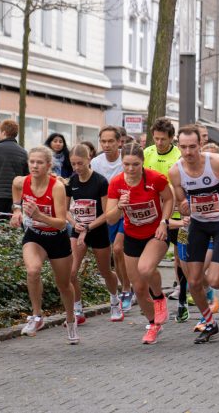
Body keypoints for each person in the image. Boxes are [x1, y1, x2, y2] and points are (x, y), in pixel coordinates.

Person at [168, 125, 219, 344]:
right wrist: (183, 205)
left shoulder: (217, 162)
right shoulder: (175, 171)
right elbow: (181, 200)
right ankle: (210, 323)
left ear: (200, 145)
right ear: (178, 146)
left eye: (192, 147)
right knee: (193, 282)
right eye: (183, 147)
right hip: (198, 225)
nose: (188, 152)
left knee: (212, 278)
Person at [105, 143, 174, 344]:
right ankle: (153, 324)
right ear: (121, 162)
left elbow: (169, 199)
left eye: (135, 164)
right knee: (139, 287)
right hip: (132, 235)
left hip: (156, 233)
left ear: (143, 162)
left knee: (146, 268)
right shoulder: (116, 183)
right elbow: (110, 218)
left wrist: (164, 221)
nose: (131, 169)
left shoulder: (155, 179)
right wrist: (119, 206)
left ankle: (160, 297)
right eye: (126, 164)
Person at [10, 146, 77, 344]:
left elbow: (60, 222)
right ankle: (37, 316)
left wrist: (39, 215)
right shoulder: (22, 181)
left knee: (64, 285)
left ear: (48, 166)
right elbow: (15, 187)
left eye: (39, 162)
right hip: (35, 236)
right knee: (33, 270)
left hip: (57, 238)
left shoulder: (56, 187)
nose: (35, 166)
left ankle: (71, 320)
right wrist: (16, 210)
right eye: (32, 162)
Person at [65, 145, 123, 324]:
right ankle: (78, 310)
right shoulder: (71, 182)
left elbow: (108, 213)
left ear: (89, 159)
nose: (76, 168)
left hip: (98, 230)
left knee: (105, 271)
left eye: (79, 163)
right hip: (78, 230)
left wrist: (89, 227)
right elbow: (64, 210)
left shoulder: (100, 182)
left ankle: (115, 301)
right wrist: (75, 224)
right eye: (73, 164)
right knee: (71, 272)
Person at [143, 118, 186, 322]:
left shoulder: (178, 156)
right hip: (154, 216)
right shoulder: (147, 153)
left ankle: (182, 292)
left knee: (180, 258)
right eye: (156, 138)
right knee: (152, 258)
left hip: (177, 214)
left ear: (171, 138)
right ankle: (156, 296)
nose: (159, 143)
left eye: (163, 139)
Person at [91, 126, 132, 312]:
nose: (106, 145)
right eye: (103, 141)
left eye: (110, 141)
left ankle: (126, 289)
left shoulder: (127, 160)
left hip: (127, 212)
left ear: (119, 142)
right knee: (114, 255)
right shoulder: (96, 163)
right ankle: (127, 285)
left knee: (118, 249)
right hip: (108, 214)